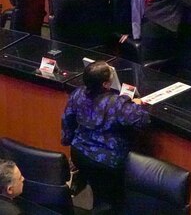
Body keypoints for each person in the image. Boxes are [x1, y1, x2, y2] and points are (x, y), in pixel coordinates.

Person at [61, 61, 150, 212]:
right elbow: (143, 120)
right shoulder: (117, 104)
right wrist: (135, 103)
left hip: (79, 154)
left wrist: (68, 141)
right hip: (106, 163)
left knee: (99, 192)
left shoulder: (78, 93)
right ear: (106, 84)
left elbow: (67, 119)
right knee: (110, 202)